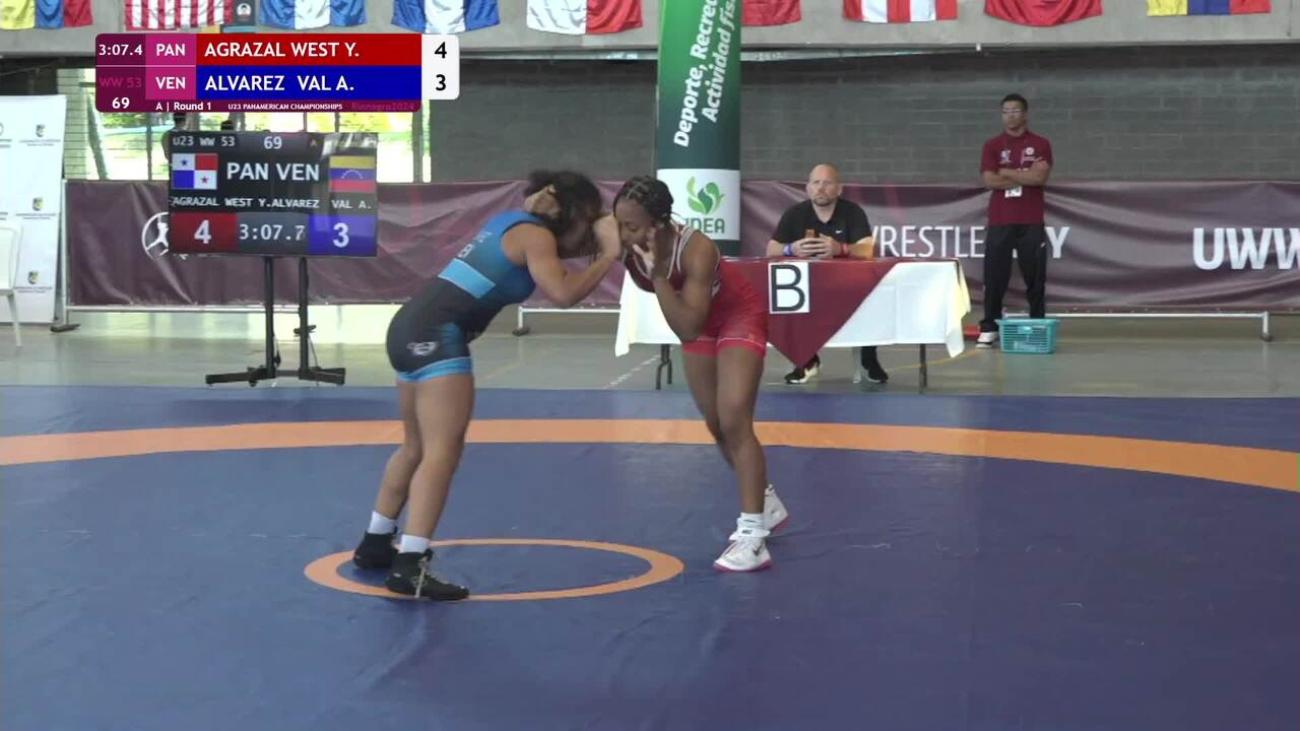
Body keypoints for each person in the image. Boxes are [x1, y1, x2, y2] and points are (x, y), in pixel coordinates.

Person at [351, 170, 621, 600]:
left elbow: (561, 253)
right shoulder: (536, 238)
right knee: (442, 452)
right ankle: (410, 565)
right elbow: (563, 293)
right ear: (573, 214)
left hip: (407, 328)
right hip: (437, 335)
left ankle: (375, 542)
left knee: (415, 447)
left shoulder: (511, 224)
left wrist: (601, 240)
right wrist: (609, 255)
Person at [614, 176, 789, 573]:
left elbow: (688, 327)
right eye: (619, 224)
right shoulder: (619, 236)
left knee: (734, 419)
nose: (623, 235)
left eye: (633, 227)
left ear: (659, 224)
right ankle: (766, 501)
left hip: (737, 316)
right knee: (715, 424)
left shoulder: (696, 249)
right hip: (700, 324)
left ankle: (753, 537)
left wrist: (658, 275)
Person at [766, 163, 888, 385]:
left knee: (874, 294)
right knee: (785, 295)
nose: (821, 188)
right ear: (808, 188)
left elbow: (868, 249)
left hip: (847, 286)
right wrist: (790, 249)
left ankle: (868, 358)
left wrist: (841, 249)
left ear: (839, 189)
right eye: (816, 183)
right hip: (808, 287)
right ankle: (806, 360)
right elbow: (771, 249)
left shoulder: (852, 212)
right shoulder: (795, 214)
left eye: (827, 183)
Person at [978, 93, 1053, 347]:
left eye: (1015, 111)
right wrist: (1024, 174)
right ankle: (990, 326)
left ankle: (1038, 324)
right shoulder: (992, 145)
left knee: (1035, 276)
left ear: (1025, 114)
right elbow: (990, 180)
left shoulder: (1041, 144)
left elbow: (1039, 178)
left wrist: (1007, 171)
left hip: (1030, 219)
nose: (1010, 116)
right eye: (1005, 111)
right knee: (994, 275)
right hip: (1001, 219)